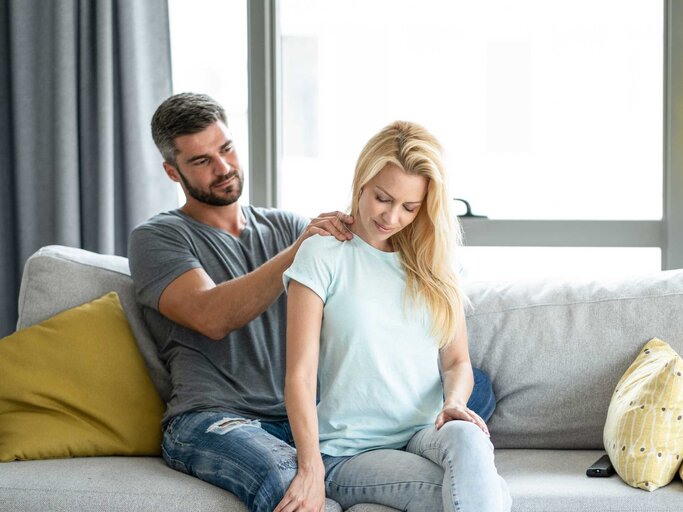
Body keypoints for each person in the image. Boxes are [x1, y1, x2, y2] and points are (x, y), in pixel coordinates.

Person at [128, 92, 498, 512]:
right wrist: (300, 249)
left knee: (476, 386)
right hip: (218, 417)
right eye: (201, 161)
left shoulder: (285, 224)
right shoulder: (158, 237)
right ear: (171, 172)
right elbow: (211, 315)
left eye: (226, 148)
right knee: (288, 477)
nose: (224, 167)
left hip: (296, 415)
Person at [280, 121, 511, 512]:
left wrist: (453, 402)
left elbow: (456, 362)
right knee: (485, 493)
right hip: (350, 451)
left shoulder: (436, 263)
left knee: (471, 440)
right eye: (382, 198)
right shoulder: (323, 253)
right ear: (361, 182)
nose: (391, 217)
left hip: (423, 433)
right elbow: (299, 376)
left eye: (409, 207)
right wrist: (310, 468)